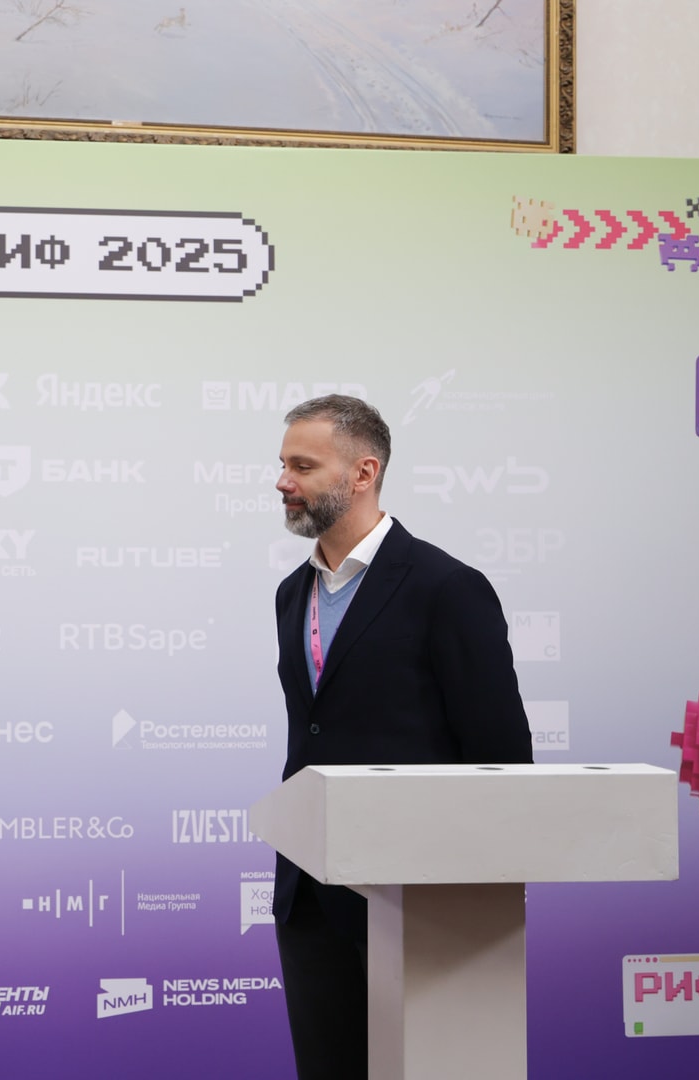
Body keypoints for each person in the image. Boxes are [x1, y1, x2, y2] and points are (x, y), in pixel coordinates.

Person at [271, 395, 533, 1080]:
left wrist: (482, 897)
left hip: (421, 901)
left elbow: (503, 757)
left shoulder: (447, 587)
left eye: (303, 466)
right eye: (283, 465)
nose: (283, 482)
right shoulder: (291, 595)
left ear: (364, 473)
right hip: (310, 895)